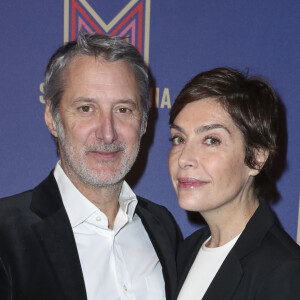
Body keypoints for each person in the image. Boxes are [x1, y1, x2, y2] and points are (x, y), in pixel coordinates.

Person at [0, 33, 182, 300]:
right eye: (86, 108)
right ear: (52, 118)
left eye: (123, 110)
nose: (107, 134)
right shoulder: (5, 234)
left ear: (144, 122)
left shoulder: (162, 227)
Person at [168, 67, 300, 299]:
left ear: (256, 158)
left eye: (211, 140)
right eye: (179, 139)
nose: (184, 158)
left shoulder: (284, 270)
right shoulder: (182, 254)